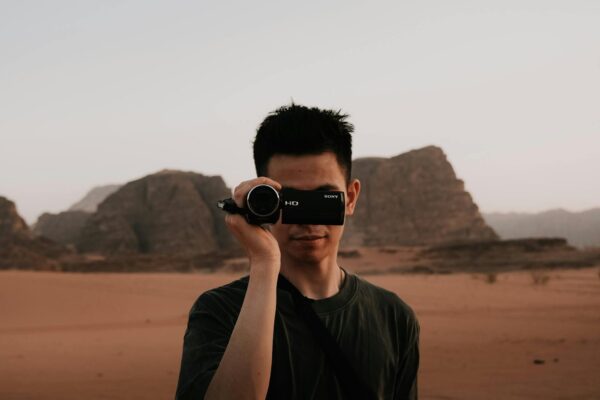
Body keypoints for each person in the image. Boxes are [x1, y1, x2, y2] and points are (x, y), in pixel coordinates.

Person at [175, 104, 419, 400]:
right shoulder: (220, 311)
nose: (308, 219)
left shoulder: (393, 316)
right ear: (266, 202)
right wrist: (264, 264)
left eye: (323, 199)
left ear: (350, 198)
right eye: (291, 201)